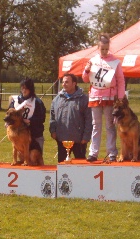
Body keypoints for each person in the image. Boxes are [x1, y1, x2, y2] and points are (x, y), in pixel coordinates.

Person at [82, 33, 125, 162]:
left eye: (107, 49)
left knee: (110, 125)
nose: (105, 51)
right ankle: (93, 153)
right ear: (98, 47)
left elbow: (120, 80)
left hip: (110, 97)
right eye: (102, 49)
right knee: (96, 125)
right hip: (95, 96)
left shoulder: (115, 62)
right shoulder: (93, 60)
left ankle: (112, 152)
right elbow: (85, 78)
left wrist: (121, 98)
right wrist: (86, 70)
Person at [49, 73, 92, 163]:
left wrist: (86, 136)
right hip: (61, 139)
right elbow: (52, 117)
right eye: (63, 82)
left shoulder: (84, 99)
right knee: (62, 165)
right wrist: (53, 130)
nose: (64, 84)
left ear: (74, 83)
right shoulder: (57, 99)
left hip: (79, 140)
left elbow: (89, 119)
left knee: (80, 165)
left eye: (67, 82)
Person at [8, 77, 46, 155]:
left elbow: (42, 118)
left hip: (35, 136)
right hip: (19, 136)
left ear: (31, 89)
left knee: (35, 161)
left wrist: (30, 121)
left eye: (26, 88)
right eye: (22, 88)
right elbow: (9, 114)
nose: (24, 90)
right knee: (23, 163)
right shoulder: (15, 101)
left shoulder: (37, 102)